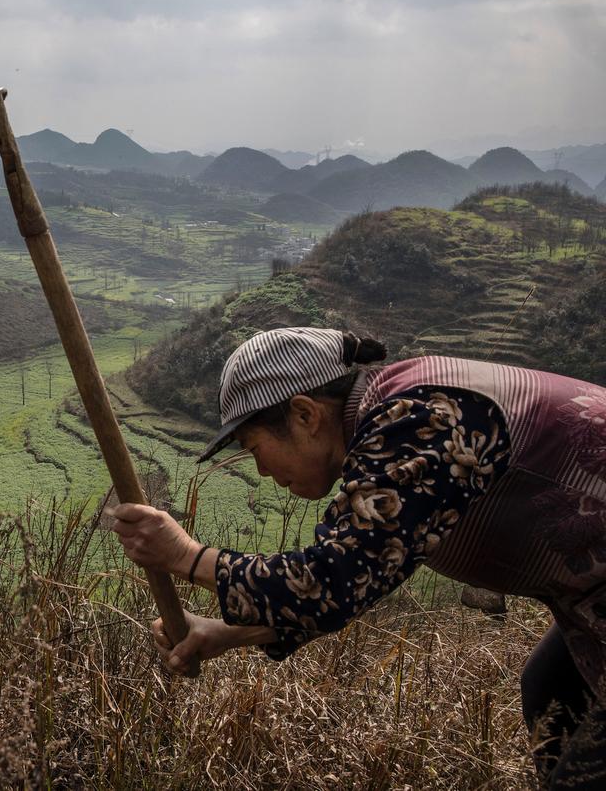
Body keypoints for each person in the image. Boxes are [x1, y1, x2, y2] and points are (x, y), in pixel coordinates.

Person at [108, 327, 606, 787]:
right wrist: (228, 632)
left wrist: (187, 556)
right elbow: (372, 570)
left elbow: (332, 581)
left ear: (305, 414)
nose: (258, 470)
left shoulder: (419, 418)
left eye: (252, 446)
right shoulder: (393, 423)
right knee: (554, 693)